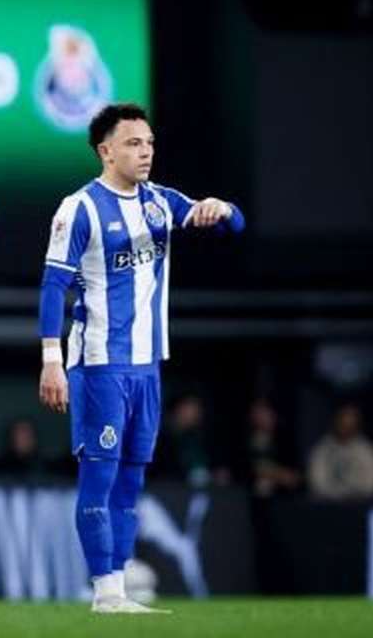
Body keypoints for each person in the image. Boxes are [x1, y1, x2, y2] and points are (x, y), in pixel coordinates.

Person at [37, 103, 245, 614]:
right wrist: (51, 359)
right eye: (133, 143)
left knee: (132, 482)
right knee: (100, 478)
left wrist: (222, 208)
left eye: (149, 142)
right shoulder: (79, 208)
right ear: (106, 151)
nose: (146, 151)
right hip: (100, 365)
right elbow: (53, 285)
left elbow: (231, 227)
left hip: (148, 365)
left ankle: (120, 589)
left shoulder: (160, 203)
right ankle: (105, 591)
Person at [307, 402, 373, 500]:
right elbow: (316, 483)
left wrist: (353, 496)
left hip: (359, 505)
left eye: (350, 424)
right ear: (336, 421)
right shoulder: (322, 449)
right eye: (343, 422)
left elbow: (372, 484)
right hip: (327, 505)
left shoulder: (367, 450)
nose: (346, 427)